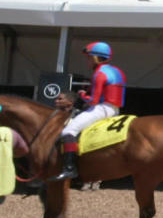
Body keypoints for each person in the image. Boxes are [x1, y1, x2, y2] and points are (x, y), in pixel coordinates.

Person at [53, 41, 126, 182]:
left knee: (68, 131)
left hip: (101, 109)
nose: (88, 61)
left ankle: (69, 168)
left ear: (96, 58)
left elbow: (93, 100)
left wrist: (81, 95)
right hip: (115, 109)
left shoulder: (99, 74)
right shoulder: (118, 71)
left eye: (89, 58)